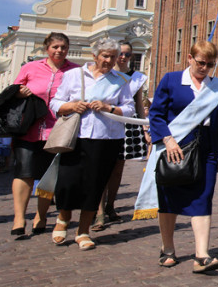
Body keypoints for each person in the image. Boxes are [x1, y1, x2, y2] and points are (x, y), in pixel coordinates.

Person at [148, 40, 218, 272]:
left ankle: (201, 255)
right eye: (201, 62)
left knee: (203, 197)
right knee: (169, 197)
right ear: (189, 59)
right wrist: (167, 139)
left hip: (207, 148)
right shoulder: (171, 81)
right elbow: (156, 115)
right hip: (176, 146)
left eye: (210, 64)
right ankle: (167, 249)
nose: (204, 68)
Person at [50, 38, 135, 250]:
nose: (109, 60)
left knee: (95, 185)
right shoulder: (73, 75)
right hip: (75, 136)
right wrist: (71, 106)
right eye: (105, 56)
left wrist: (109, 107)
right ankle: (63, 218)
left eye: (113, 57)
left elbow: (130, 109)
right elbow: (55, 102)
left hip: (105, 139)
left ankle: (83, 231)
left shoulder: (121, 80)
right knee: (68, 182)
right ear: (95, 55)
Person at [9, 32, 78, 238]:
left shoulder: (74, 71)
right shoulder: (30, 67)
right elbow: (14, 90)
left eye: (63, 47)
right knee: (24, 172)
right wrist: (20, 92)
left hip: (57, 131)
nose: (59, 50)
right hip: (28, 128)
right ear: (47, 48)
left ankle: (41, 215)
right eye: (55, 47)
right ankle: (19, 218)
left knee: (49, 177)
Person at [94, 41, 150, 229]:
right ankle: (99, 210)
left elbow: (139, 105)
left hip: (128, 124)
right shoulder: (105, 75)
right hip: (106, 122)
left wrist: (144, 127)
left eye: (127, 54)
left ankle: (110, 206)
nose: (123, 57)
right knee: (102, 167)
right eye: (121, 54)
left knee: (117, 169)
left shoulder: (136, 78)